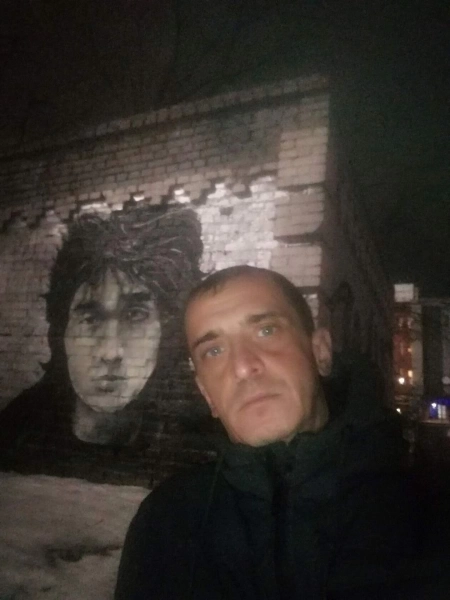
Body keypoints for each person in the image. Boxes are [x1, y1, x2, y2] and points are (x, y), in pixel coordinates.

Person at [116, 265, 447, 600]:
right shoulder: (166, 524)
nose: (243, 367)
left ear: (320, 353)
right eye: (213, 351)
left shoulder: (429, 516)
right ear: (207, 394)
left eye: (266, 331)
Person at [0, 203, 203, 467]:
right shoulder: (15, 434)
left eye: (135, 315)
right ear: (61, 330)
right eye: (90, 318)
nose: (110, 352)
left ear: (168, 332)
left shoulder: (201, 445)